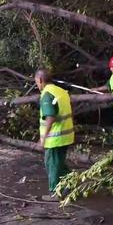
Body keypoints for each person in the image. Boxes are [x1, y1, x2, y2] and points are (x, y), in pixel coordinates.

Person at [35, 69, 74, 201]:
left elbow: (50, 117)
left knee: (52, 164)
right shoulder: (61, 91)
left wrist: (43, 138)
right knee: (59, 163)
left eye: (37, 82)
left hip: (55, 138)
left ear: (40, 80)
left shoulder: (47, 94)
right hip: (66, 135)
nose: (37, 86)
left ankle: (55, 193)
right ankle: (72, 182)